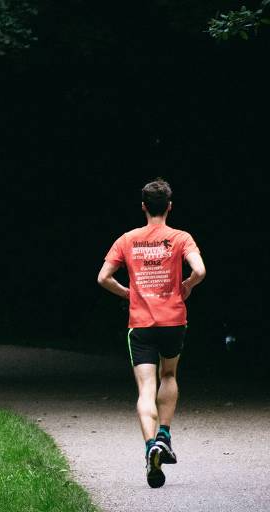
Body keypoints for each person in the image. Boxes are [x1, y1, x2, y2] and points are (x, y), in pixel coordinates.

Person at [96, 178, 206, 488]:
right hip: (173, 321)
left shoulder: (127, 239)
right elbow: (200, 271)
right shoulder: (181, 238)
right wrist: (187, 286)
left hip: (140, 325)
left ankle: (150, 449)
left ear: (144, 207)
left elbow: (103, 277)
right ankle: (165, 437)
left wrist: (128, 293)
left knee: (146, 388)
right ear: (169, 206)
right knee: (168, 376)